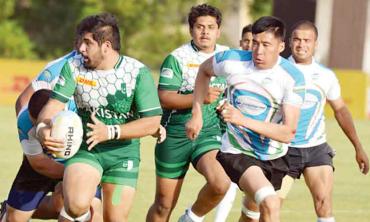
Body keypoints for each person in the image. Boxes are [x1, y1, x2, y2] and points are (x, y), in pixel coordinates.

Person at [36, 13, 162, 222]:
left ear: (106, 46)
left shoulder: (137, 72)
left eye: (87, 43)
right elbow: (53, 105)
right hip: (87, 149)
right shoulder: (74, 67)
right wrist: (41, 127)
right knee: (75, 206)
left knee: (115, 219)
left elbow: (152, 122)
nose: (80, 49)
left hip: (123, 154)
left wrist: (110, 132)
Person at [186, 16, 306, 222]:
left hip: (274, 155)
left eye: (266, 45)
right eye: (255, 43)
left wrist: (241, 119)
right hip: (236, 151)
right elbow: (204, 71)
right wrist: (196, 114)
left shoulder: (292, 78)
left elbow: (288, 133)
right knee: (270, 202)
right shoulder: (232, 60)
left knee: (252, 215)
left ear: (281, 46)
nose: (258, 51)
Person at [146, 4, 231, 222]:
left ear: (218, 31)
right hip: (174, 134)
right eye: (199, 27)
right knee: (163, 206)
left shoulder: (227, 57)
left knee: (220, 183)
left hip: (208, 133)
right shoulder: (177, 58)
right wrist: (199, 97)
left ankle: (191, 218)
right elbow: (164, 97)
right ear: (191, 30)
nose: (205, 32)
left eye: (210, 27)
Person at [282, 20, 368, 222]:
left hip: (315, 148)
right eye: (297, 39)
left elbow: (340, 110)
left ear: (315, 43)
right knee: (269, 207)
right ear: (289, 41)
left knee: (324, 203)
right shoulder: (278, 69)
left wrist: (358, 147)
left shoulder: (325, 75)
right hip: (282, 149)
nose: (301, 44)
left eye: (307, 40)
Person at [1, 89, 102, 222]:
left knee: (91, 213)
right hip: (41, 166)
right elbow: (39, 163)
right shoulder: (24, 119)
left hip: (77, 162)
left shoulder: (79, 108)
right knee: (13, 218)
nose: (38, 128)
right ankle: (7, 208)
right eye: (35, 124)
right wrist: (67, 175)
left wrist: (75, 176)